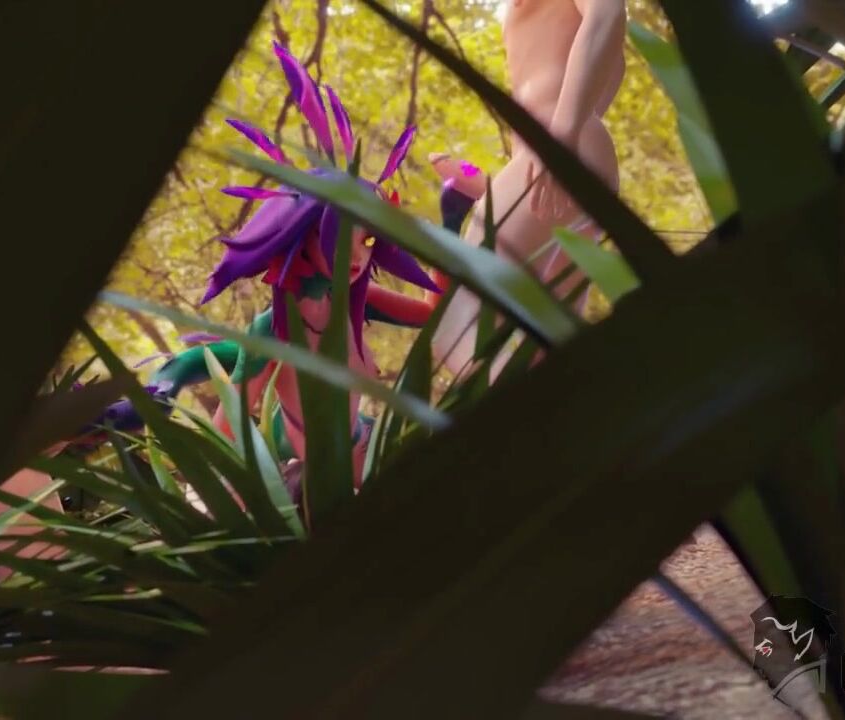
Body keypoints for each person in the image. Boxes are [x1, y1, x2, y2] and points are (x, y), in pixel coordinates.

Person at [81, 43, 476, 496]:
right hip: (309, 462)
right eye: (338, 238)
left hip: (362, 444)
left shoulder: (351, 301)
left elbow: (429, 313)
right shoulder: (274, 330)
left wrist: (451, 222)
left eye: (368, 241)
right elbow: (230, 428)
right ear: (300, 236)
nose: (357, 258)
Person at [430, 0, 627, 375]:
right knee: (552, 344)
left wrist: (563, 134)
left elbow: (607, 13)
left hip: (562, 147)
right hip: (574, 156)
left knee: (456, 329)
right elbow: (606, 59)